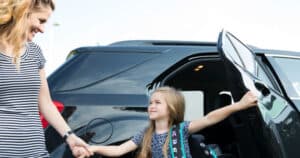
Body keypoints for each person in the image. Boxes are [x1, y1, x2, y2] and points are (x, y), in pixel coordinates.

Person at [0, 0, 92, 157]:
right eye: (41, 20)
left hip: (35, 151)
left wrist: (70, 137)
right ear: (22, 12)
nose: (42, 29)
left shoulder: (35, 52)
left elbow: (46, 103)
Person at [79, 86, 257, 158]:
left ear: (171, 109)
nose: (151, 106)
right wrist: (93, 148)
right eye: (150, 103)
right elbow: (119, 150)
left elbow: (210, 118)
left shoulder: (182, 129)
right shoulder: (146, 134)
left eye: (157, 103)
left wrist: (239, 105)